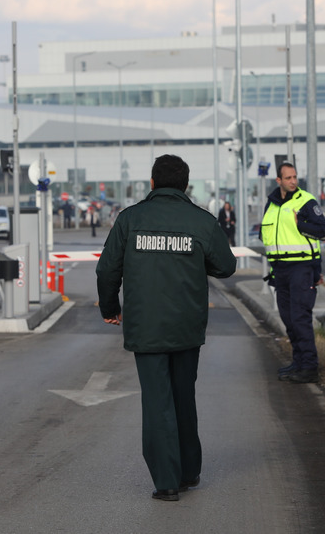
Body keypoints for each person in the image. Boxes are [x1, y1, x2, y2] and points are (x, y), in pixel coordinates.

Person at [96, 154, 236, 502]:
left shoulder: (130, 219)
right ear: (185, 185)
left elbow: (106, 270)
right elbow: (227, 267)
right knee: (184, 398)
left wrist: (111, 308)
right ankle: (189, 472)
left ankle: (167, 482)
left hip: (146, 329)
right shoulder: (201, 221)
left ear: (152, 183)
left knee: (158, 403)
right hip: (187, 327)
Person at [260, 161, 325, 384]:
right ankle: (298, 363)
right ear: (278, 180)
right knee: (288, 319)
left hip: (302, 267)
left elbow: (323, 232)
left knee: (300, 318)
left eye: (295, 177)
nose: (293, 181)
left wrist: (302, 225)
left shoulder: (306, 201)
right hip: (280, 270)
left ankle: (309, 367)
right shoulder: (271, 205)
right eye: (288, 178)